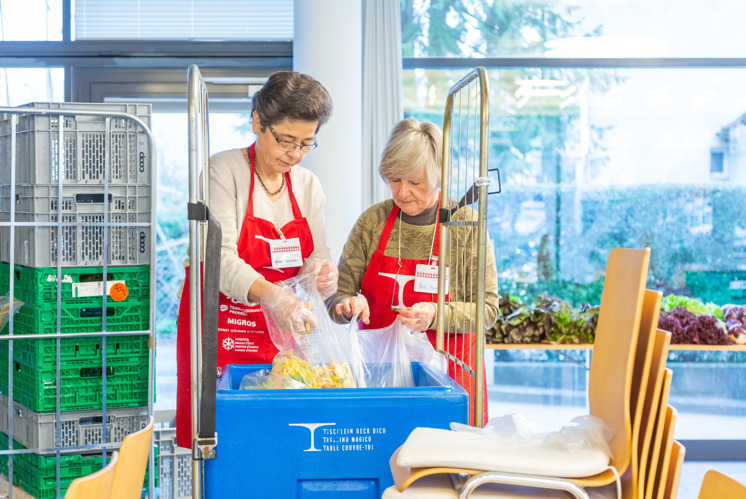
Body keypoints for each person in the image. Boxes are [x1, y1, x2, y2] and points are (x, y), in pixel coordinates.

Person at [176, 71, 337, 448]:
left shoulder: (308, 185)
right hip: (222, 326)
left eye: (306, 144)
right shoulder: (223, 172)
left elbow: (318, 254)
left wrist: (322, 274)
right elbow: (218, 258)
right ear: (257, 122)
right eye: (286, 141)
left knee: (279, 437)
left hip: (283, 331)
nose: (295, 155)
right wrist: (274, 296)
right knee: (222, 439)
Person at [326, 117, 499, 425]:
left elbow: (487, 309)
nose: (402, 192)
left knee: (448, 466)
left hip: (451, 380)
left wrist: (436, 314)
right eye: (394, 179)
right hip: (383, 378)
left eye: (414, 182)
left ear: (439, 176)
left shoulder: (465, 226)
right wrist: (346, 305)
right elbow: (337, 296)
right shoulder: (373, 222)